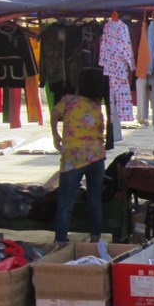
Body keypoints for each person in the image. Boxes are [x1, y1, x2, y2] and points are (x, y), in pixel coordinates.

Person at [50, 68, 106, 246]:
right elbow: (100, 130)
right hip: (96, 157)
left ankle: (60, 241)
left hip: (73, 157)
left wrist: (55, 135)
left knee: (66, 202)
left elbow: (54, 114)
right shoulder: (96, 105)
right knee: (95, 200)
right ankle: (95, 238)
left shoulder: (68, 100)